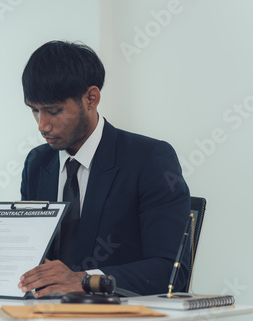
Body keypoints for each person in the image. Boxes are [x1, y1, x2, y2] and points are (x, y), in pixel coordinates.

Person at [18, 41, 190, 298]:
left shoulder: (149, 159)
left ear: (91, 98)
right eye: (34, 111)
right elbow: (28, 253)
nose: (42, 125)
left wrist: (85, 280)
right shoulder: (37, 163)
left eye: (53, 111)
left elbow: (171, 272)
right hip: (46, 319)